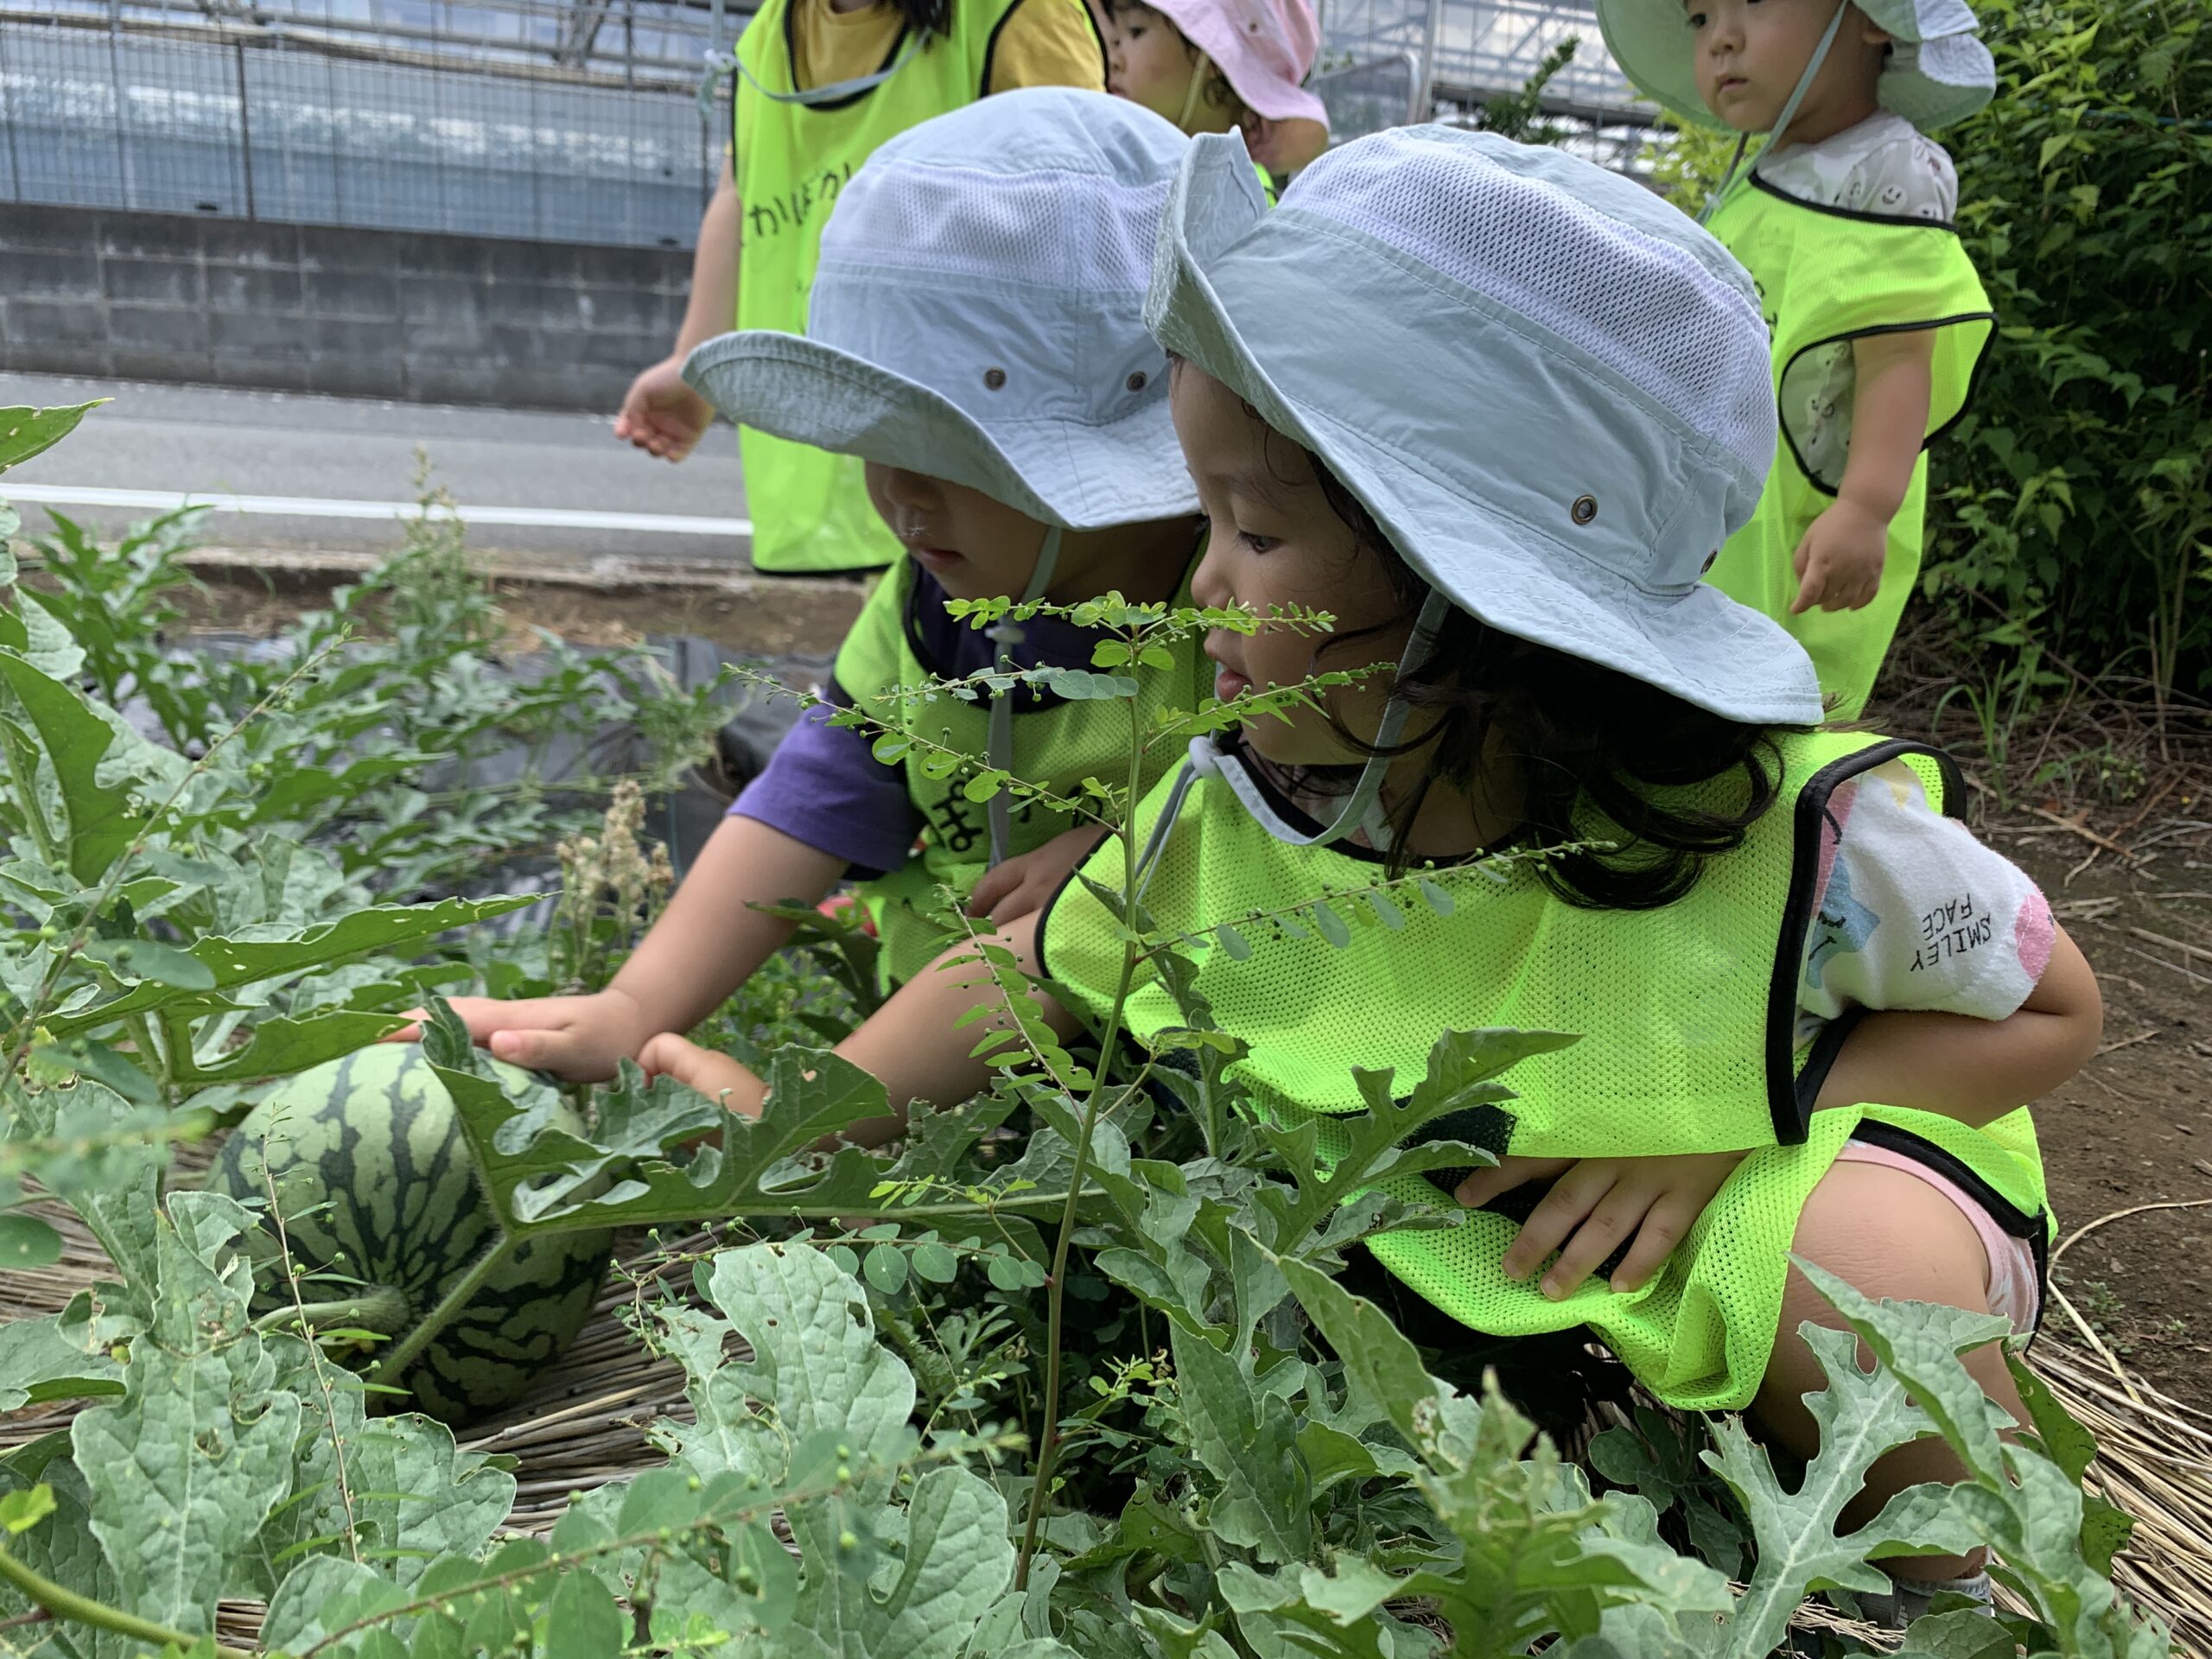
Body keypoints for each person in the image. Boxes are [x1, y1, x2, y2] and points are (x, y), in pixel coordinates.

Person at [639, 127, 2101, 1624]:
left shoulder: (1797, 837)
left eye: (1255, 530)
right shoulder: (1255, 802)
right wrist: (809, 1124)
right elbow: (1029, 972)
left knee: (1836, 1269)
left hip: (1799, 1162)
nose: (1199, 579)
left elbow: (2049, 1014)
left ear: (1475, 598)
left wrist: (1745, 1124)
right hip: (1537, 1226)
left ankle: (1961, 1590)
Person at [444, 91, 1212, 1077]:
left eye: (958, 456)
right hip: (947, 1090)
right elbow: (821, 787)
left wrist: (1147, 861)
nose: (899, 495)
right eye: (876, 446)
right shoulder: (936, 604)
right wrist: (635, 1005)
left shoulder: (1243, 618)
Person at [1595, 0, 1997, 718]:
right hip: (1733, 488)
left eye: (1752, 3)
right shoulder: (1757, 172)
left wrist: (1866, 506)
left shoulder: (1890, 167)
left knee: (1780, 689)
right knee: (1697, 675)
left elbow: (1899, 347)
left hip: (1811, 507)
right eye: (1699, 20)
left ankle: (1781, 816)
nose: (1721, 39)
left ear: (1870, 19)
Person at [613, 0, 1108, 574]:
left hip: (982, 486)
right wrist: (692, 362)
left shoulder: (1014, 14)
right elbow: (741, 189)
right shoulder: (765, 37)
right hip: (840, 477)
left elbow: (1089, 223)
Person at [1098, 0, 1328, 175]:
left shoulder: (1242, 210)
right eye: (1113, 39)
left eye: (1136, 31)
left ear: (1210, 59)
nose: (1114, 59)